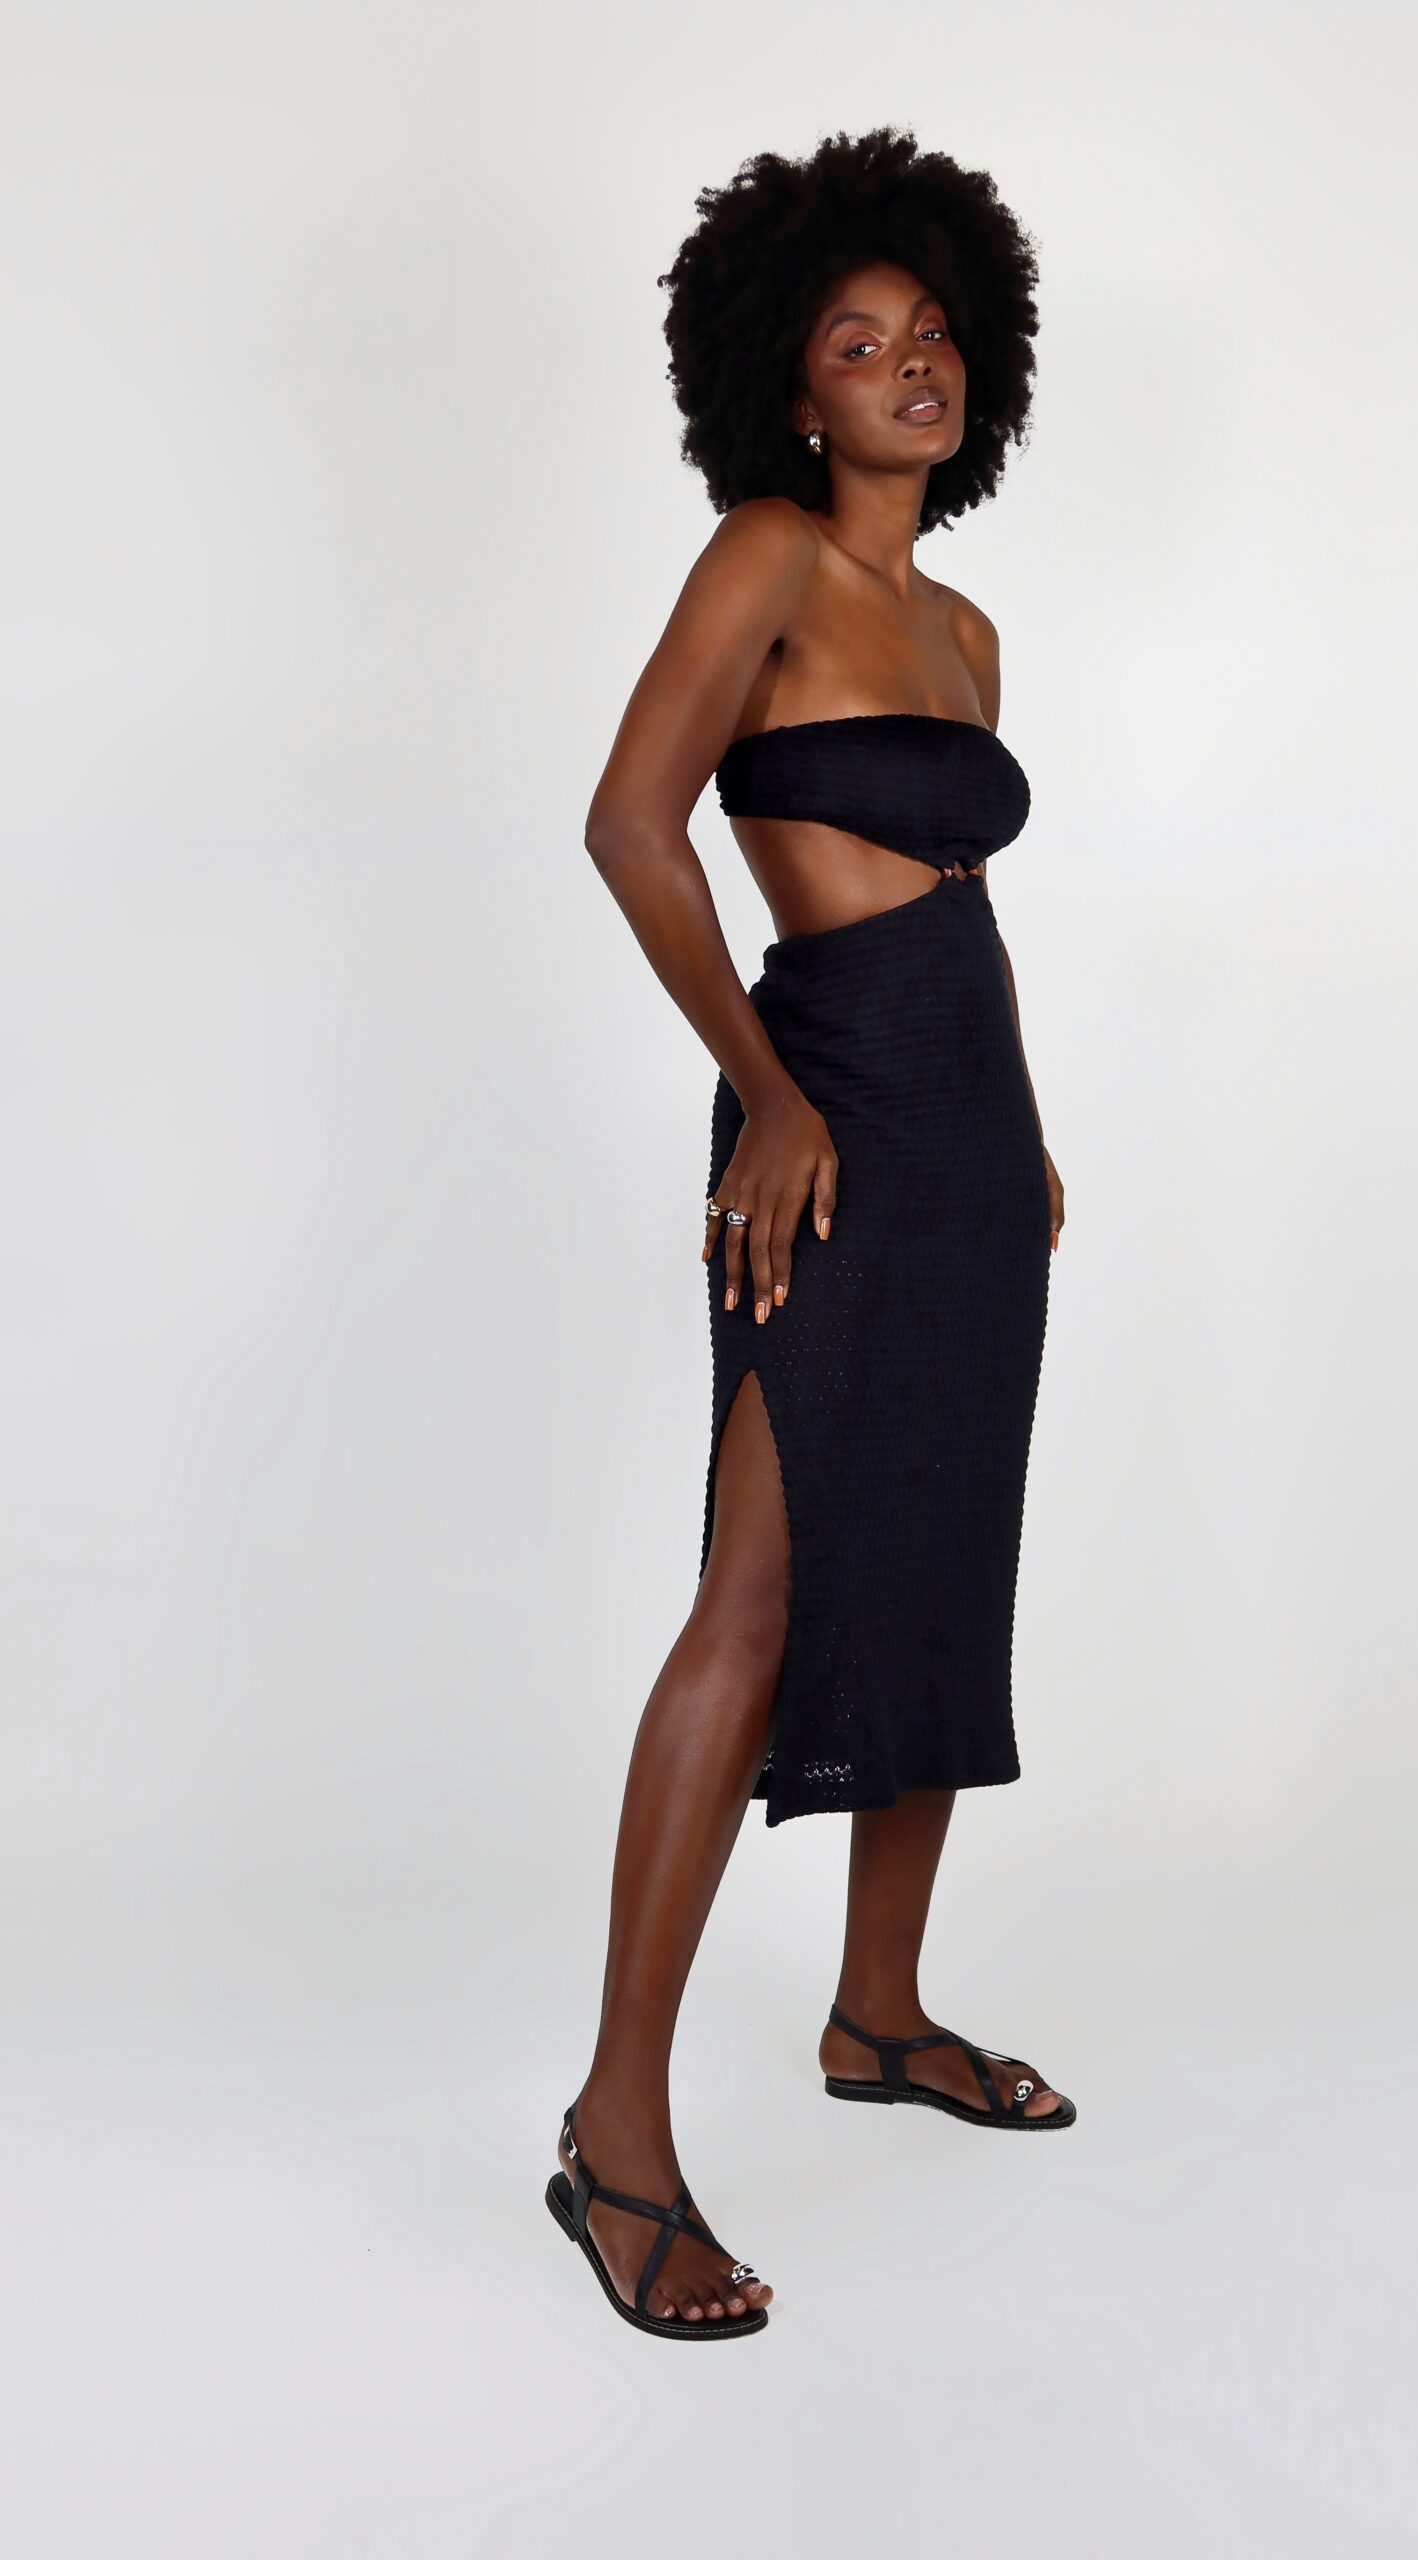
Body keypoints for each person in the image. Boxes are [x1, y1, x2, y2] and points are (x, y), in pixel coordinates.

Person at [545, 126, 1075, 2343]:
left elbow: (965, 902)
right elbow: (629, 823)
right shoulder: (762, 555)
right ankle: (613, 2141)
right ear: (790, 383)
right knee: (754, 1601)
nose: (907, 364)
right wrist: (770, 1094)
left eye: (932, 333)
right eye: (859, 343)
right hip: (827, 1113)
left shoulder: (961, 627)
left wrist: (1027, 1130)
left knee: (940, 1546)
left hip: (967, 1132)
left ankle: (877, 2012)